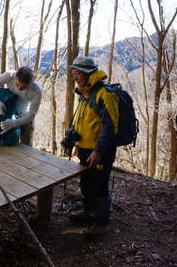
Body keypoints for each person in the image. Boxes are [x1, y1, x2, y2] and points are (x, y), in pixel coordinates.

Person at [67, 55, 119, 240]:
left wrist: (98, 151)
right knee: (86, 182)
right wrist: (74, 139)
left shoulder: (105, 95)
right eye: (74, 74)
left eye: (78, 74)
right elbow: (83, 122)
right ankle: (89, 212)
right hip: (85, 149)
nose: (75, 78)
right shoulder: (85, 94)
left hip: (101, 151)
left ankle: (101, 224)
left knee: (100, 186)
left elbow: (110, 128)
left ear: (88, 74)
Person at [0, 66, 42, 146]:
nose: (19, 88)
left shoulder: (37, 91)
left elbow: (31, 115)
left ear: (31, 83)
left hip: (25, 118)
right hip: (8, 113)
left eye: (24, 87)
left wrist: (13, 124)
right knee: (5, 143)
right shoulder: (10, 75)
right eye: (17, 84)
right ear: (15, 78)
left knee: (26, 148)